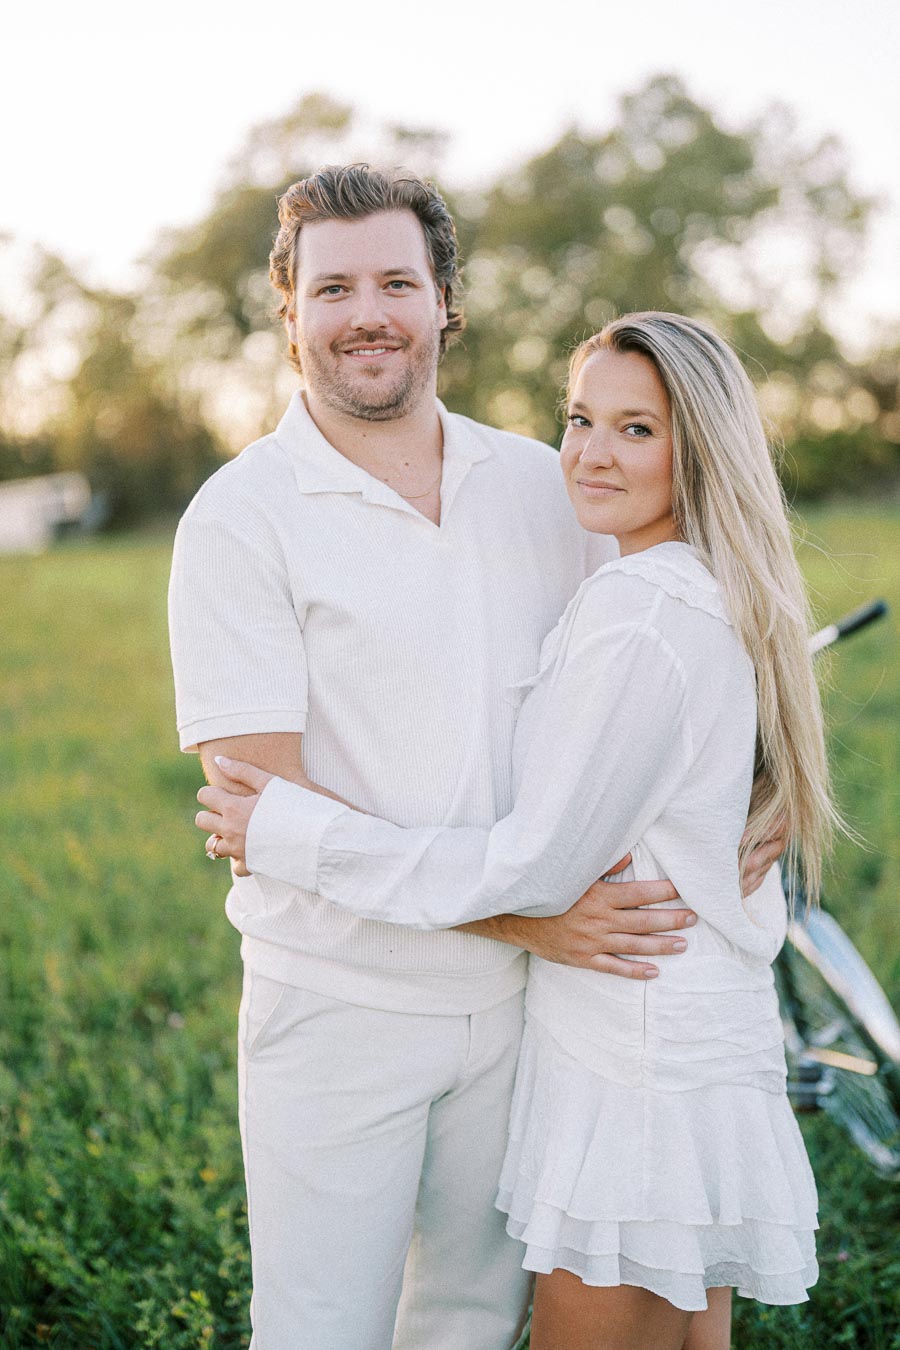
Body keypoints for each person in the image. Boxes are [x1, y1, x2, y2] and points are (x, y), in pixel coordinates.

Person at [170, 165, 779, 1349]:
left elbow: (653, 670)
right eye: (333, 286)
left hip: (529, 1013)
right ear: (287, 309)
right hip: (341, 1005)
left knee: (466, 1322)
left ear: (446, 299)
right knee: (319, 1329)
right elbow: (269, 817)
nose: (368, 314)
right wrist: (526, 915)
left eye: (398, 280)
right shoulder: (240, 518)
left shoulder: (543, 481)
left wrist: (755, 794)